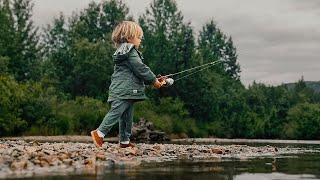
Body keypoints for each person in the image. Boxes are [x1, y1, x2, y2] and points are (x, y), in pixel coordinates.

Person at [90, 21, 165, 148]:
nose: (141, 40)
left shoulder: (124, 51)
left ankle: (124, 141)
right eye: (139, 37)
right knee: (116, 112)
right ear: (129, 37)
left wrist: (154, 79)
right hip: (124, 90)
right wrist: (153, 81)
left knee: (126, 117)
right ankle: (99, 133)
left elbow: (135, 72)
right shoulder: (130, 51)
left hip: (126, 90)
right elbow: (140, 68)